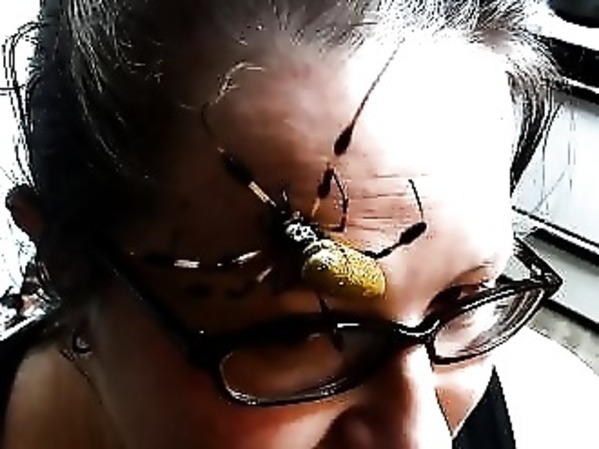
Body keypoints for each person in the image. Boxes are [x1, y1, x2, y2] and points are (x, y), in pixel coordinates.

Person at [2, 0, 598, 448]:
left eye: (464, 301)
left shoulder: (556, 415)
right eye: (296, 336)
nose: (425, 441)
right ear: (67, 264)